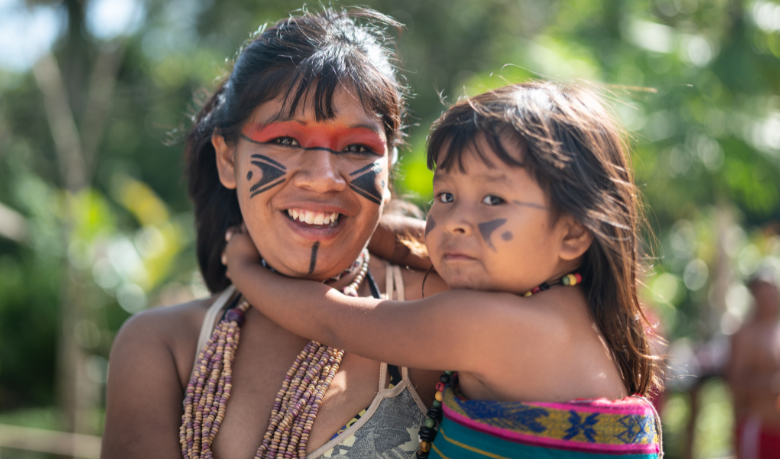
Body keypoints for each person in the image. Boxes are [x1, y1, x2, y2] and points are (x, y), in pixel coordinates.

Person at [224, 82, 665, 458]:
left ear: (573, 232)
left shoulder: (487, 326)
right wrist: (350, 225)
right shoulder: (572, 307)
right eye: (446, 196)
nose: (455, 221)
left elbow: (330, 320)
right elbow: (423, 243)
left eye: (492, 200)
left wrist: (243, 267)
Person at [101, 8, 449, 459]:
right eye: (285, 140)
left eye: (357, 147)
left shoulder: (440, 312)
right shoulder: (162, 345)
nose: (322, 178)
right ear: (228, 159)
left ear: (388, 167)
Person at [727, 268, 780, 459]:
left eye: (772, 292)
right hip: (757, 427)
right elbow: (736, 381)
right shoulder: (745, 334)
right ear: (754, 296)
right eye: (763, 294)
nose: (769, 298)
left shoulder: (777, 330)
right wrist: (770, 384)